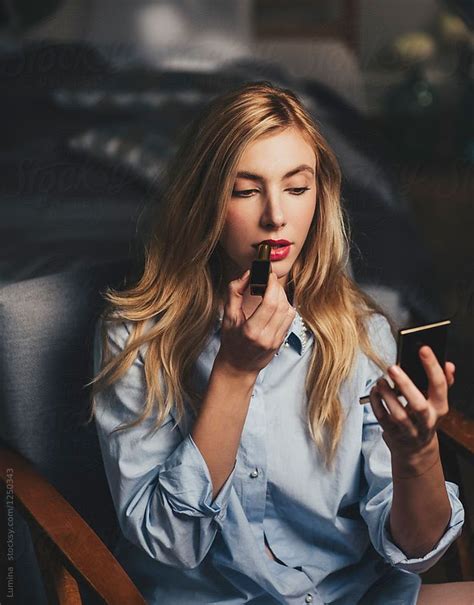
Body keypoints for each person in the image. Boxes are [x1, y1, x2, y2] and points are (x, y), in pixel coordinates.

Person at [87, 81, 472, 604]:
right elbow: (168, 542)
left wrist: (418, 455)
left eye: (296, 187)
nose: (276, 216)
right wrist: (235, 373)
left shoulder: (360, 330)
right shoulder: (136, 337)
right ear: (203, 201)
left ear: (320, 194)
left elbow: (420, 551)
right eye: (245, 191)